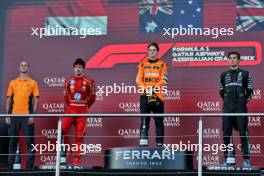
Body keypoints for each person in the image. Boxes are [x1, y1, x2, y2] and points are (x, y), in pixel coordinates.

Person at [219, 51, 253, 166]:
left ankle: (246, 159)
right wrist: (229, 101)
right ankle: (229, 158)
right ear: (228, 60)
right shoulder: (223, 75)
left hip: (240, 108)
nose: (232, 60)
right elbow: (221, 91)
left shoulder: (246, 74)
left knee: (243, 133)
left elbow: (250, 91)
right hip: (227, 108)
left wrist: (242, 102)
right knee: (226, 134)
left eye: (235, 58)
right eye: (230, 58)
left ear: (239, 60)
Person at [5, 61, 39, 169]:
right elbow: (8, 99)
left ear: (28, 68)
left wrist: (33, 115)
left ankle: (29, 167)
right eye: (21, 65)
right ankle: (10, 167)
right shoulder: (12, 82)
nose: (23, 66)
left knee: (30, 142)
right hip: (14, 116)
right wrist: (7, 115)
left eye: (25, 65)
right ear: (19, 68)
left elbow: (35, 100)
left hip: (27, 116)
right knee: (13, 142)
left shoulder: (33, 83)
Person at [62, 58, 96, 166]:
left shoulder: (90, 81)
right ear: (73, 68)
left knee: (79, 136)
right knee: (61, 130)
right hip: (71, 109)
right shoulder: (68, 81)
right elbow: (66, 97)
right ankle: (68, 148)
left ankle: (76, 159)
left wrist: (84, 106)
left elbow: (92, 98)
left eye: (80, 67)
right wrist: (72, 106)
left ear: (83, 69)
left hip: (82, 111)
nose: (78, 69)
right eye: (76, 67)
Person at [136, 42, 168, 147]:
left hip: (158, 95)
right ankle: (143, 143)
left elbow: (164, 80)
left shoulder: (163, 64)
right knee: (145, 119)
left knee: (159, 121)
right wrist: (147, 89)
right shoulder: (142, 65)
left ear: (157, 52)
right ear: (148, 52)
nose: (152, 52)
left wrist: (153, 88)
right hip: (145, 95)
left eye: (154, 50)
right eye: (150, 50)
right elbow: (138, 80)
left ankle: (159, 144)